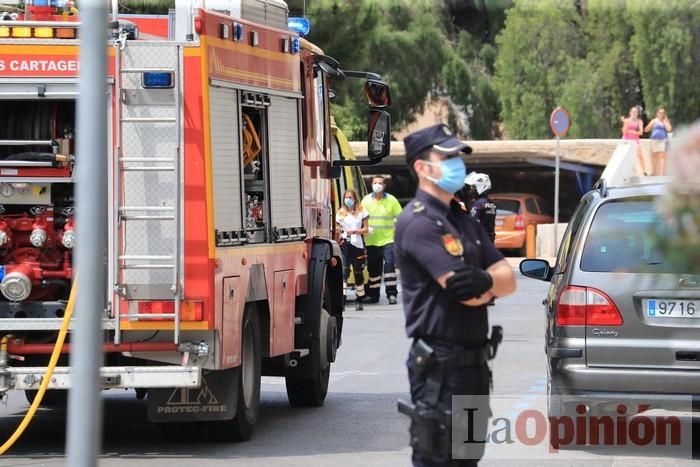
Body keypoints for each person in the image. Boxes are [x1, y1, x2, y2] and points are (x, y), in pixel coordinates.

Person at [395, 124, 516, 466]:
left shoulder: (463, 220)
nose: (455, 164)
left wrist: (483, 282)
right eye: (446, 157)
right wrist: (487, 282)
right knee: (439, 461)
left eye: (456, 157)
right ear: (421, 167)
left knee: (467, 460)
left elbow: (507, 277)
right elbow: (463, 292)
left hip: (474, 369)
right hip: (440, 372)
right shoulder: (418, 222)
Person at [361, 175, 402, 305]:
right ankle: (373, 295)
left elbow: (401, 217)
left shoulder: (392, 200)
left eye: (380, 183)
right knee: (373, 269)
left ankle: (392, 294)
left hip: (388, 240)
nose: (377, 185)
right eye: (375, 183)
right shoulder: (366, 200)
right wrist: (365, 228)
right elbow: (360, 217)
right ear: (371, 185)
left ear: (384, 186)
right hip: (371, 240)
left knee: (389, 265)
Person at [336, 189, 369, 311]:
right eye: (346, 197)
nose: (348, 200)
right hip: (344, 244)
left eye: (350, 197)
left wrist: (355, 231)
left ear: (355, 198)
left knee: (358, 273)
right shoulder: (340, 213)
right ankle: (342, 300)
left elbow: (365, 229)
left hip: (357, 244)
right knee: (344, 272)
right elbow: (337, 229)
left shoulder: (362, 212)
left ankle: (359, 299)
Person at [464, 172, 496, 244]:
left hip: (479, 239)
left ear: (480, 187)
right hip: (490, 237)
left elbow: (471, 221)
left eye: (473, 187)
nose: (470, 190)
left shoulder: (478, 204)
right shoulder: (491, 203)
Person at [644, 107, 672, 176]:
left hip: (662, 140)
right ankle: (654, 172)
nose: (661, 114)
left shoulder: (665, 121)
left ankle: (661, 173)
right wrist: (650, 126)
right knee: (654, 156)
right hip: (654, 140)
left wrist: (666, 121)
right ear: (657, 113)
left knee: (662, 156)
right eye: (660, 112)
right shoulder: (654, 120)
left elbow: (669, 129)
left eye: (663, 113)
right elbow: (646, 129)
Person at [621, 106, 647, 175]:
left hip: (635, 140)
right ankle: (625, 172)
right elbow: (624, 132)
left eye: (635, 112)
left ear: (637, 113)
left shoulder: (639, 121)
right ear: (630, 113)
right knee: (626, 157)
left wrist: (631, 132)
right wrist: (626, 123)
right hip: (626, 139)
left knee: (640, 155)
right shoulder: (626, 121)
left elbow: (641, 132)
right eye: (633, 112)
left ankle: (644, 171)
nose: (634, 113)